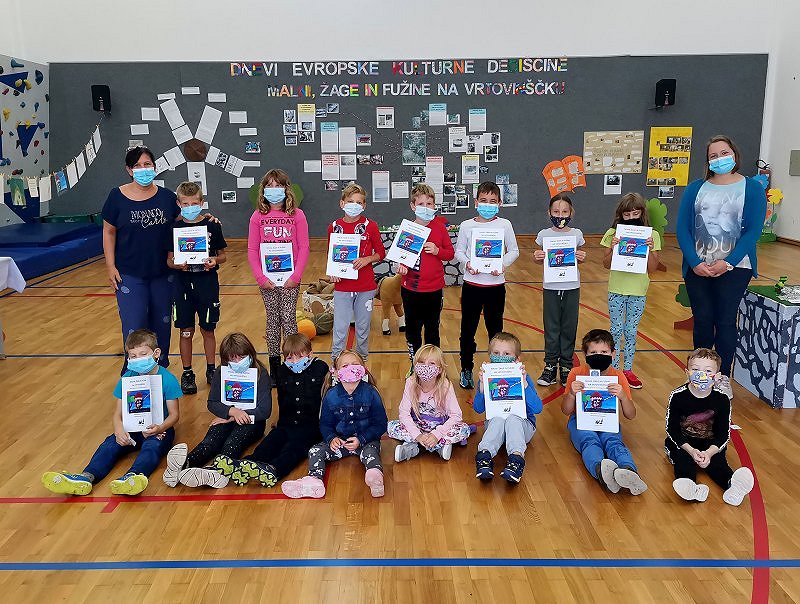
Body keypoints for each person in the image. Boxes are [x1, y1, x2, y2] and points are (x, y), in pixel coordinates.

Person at [676, 135, 767, 396]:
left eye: (724, 153)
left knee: (725, 321)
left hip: (736, 268)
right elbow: (682, 228)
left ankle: (722, 377)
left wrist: (728, 262)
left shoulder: (752, 188)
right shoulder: (696, 188)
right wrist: (695, 262)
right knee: (703, 321)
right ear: (708, 161)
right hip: (698, 268)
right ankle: (700, 375)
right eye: (713, 156)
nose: (719, 159)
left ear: (734, 154)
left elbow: (753, 231)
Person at [41, 329, 181, 496]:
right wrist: (118, 429)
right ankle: (86, 477)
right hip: (131, 428)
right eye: (133, 356)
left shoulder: (168, 379)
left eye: (143, 354)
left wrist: (160, 427)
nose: (138, 359)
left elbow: (174, 415)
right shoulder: (126, 379)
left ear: (156, 353)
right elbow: (117, 413)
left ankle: (133, 477)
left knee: (152, 448)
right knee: (109, 445)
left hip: (159, 429)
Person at [102, 147, 179, 370]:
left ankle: (159, 370)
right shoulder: (116, 197)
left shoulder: (168, 198)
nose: (143, 169)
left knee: (162, 325)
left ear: (154, 167)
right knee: (133, 326)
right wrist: (110, 266)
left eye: (147, 164)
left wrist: (207, 220)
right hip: (129, 273)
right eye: (137, 166)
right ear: (129, 170)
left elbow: (185, 224)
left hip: (163, 273)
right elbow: (108, 231)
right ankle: (133, 373)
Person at [162, 333, 271, 489]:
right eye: (232, 359)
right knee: (210, 442)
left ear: (250, 354)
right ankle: (184, 465)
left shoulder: (261, 373)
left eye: (241, 357)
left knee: (233, 442)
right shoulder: (221, 372)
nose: (237, 362)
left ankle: (217, 471)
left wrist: (235, 415)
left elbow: (265, 411)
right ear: (225, 359)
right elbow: (212, 403)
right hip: (226, 417)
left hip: (252, 422)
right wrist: (231, 412)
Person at [221, 334, 329, 487]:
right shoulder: (282, 371)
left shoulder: (320, 368)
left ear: (310, 354)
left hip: (311, 427)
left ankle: (274, 470)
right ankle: (247, 465)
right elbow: (282, 398)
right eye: (290, 358)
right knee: (269, 443)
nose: (294, 362)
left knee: (293, 449)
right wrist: (279, 420)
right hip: (286, 423)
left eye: (300, 357)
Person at [281, 350, 387, 499]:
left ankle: (375, 477)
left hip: (366, 441)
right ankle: (314, 480)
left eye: (355, 364)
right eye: (345, 366)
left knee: (371, 453)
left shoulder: (371, 393)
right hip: (341, 443)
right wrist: (331, 438)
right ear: (336, 373)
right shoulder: (331, 396)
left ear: (363, 369)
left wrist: (361, 439)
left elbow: (381, 424)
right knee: (315, 451)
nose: (351, 368)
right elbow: (325, 424)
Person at [561, 329, 647, 495]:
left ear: (613, 354)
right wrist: (571, 394)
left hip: (609, 421)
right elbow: (566, 410)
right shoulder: (576, 373)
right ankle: (601, 471)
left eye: (604, 352)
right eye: (593, 352)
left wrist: (623, 396)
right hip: (580, 422)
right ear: (585, 355)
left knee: (614, 442)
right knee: (589, 441)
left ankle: (629, 471)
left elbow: (631, 415)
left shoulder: (618, 376)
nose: (598, 355)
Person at [665, 348, 754, 505]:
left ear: (717, 376)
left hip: (710, 444)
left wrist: (709, 452)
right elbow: (672, 429)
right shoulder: (677, 396)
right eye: (695, 369)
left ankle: (732, 487)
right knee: (683, 462)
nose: (701, 375)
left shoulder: (722, 400)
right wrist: (691, 451)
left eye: (708, 371)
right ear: (687, 372)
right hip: (684, 444)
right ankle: (692, 489)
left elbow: (723, 434)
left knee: (718, 463)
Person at [454, 182, 520, 389]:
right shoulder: (466, 225)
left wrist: (502, 264)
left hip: (495, 287)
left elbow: (514, 250)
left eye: (493, 201)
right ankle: (466, 368)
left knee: (495, 330)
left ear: (499, 203)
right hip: (472, 285)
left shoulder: (505, 224)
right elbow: (459, 251)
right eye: (483, 201)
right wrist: (468, 263)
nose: (488, 205)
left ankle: (496, 369)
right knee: (467, 330)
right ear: (476, 202)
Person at [247, 168, 310, 378]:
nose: (274, 189)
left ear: (286, 189)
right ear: (263, 190)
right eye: (270, 185)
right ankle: (275, 366)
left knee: (289, 319)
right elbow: (252, 249)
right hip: (267, 279)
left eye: (278, 185)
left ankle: (293, 361)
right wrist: (260, 277)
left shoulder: (297, 215)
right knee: (273, 320)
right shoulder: (257, 216)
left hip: (290, 278)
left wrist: (296, 276)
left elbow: (304, 247)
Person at [167, 181, 228, 394]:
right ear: (179, 204)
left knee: (208, 329)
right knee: (186, 331)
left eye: (194, 203)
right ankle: (187, 372)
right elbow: (169, 260)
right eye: (185, 204)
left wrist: (214, 260)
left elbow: (223, 256)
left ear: (202, 202)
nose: (190, 207)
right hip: (182, 285)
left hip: (207, 283)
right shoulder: (174, 228)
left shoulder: (212, 226)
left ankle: (211, 369)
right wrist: (176, 264)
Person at [600, 192, 661, 389]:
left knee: (631, 331)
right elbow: (606, 264)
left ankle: (628, 369)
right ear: (621, 215)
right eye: (627, 214)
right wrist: (613, 248)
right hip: (616, 289)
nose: (632, 217)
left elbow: (652, 268)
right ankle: (613, 369)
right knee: (616, 330)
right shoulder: (612, 233)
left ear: (642, 213)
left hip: (638, 290)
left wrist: (650, 249)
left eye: (636, 213)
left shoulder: (652, 235)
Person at [395, 184, 455, 370]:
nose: (426, 207)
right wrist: (401, 266)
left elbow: (450, 254)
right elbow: (399, 258)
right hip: (410, 289)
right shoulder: (408, 229)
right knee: (412, 330)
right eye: (421, 204)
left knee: (432, 330)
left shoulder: (440, 228)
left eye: (429, 204)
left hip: (434, 290)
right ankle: (415, 365)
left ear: (434, 205)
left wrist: (437, 251)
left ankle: (433, 366)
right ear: (413, 206)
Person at [326, 183, 385, 362]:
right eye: (350, 201)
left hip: (365, 287)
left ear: (364, 205)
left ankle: (361, 363)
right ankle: (336, 364)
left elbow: (381, 253)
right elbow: (331, 254)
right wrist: (333, 272)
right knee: (340, 328)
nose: (354, 205)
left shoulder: (371, 226)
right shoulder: (334, 226)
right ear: (342, 203)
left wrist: (367, 259)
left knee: (363, 327)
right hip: (342, 286)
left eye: (359, 202)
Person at [473, 332, 543, 483]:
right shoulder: (487, 377)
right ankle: (484, 457)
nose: (501, 357)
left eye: (506, 354)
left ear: (517, 359)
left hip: (522, 426)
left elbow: (537, 408)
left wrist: (524, 384)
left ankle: (516, 459)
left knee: (513, 419)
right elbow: (478, 408)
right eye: (496, 353)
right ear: (489, 355)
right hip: (495, 424)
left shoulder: (524, 378)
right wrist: (482, 387)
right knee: (498, 419)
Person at [533, 193, 586, 387]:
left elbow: (581, 258)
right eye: (556, 211)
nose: (560, 215)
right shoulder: (544, 234)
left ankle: (566, 366)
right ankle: (549, 366)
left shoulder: (576, 234)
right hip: (551, 287)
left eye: (564, 212)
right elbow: (538, 259)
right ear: (549, 213)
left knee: (569, 327)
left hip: (572, 286)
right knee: (551, 327)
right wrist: (537, 257)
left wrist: (582, 257)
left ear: (571, 213)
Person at [388, 344, 472, 463]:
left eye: (432, 363)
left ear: (440, 369)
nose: (426, 366)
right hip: (417, 425)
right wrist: (417, 435)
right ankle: (436, 446)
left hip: (439, 426)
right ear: (415, 365)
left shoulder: (445, 385)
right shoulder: (411, 382)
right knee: (392, 426)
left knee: (463, 429)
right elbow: (404, 413)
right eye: (421, 362)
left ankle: (414, 446)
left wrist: (436, 434)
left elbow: (456, 415)